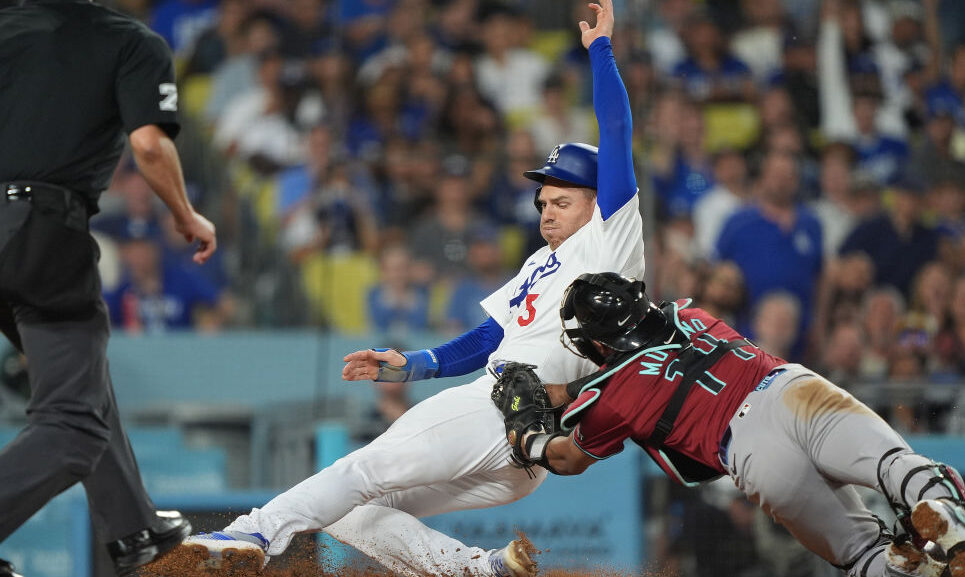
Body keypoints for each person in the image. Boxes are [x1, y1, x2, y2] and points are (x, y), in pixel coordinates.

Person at [182, 1, 645, 575]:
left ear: (599, 201)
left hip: (505, 410)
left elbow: (617, 129)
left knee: (362, 469)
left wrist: (600, 51)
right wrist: (410, 365)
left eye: (562, 200)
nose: (546, 210)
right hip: (519, 442)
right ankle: (479, 571)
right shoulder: (540, 261)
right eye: (543, 200)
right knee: (353, 509)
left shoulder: (610, 241)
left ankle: (251, 532)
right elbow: (489, 337)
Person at [505, 271, 965, 577]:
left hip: (751, 453)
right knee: (902, 468)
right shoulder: (689, 312)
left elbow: (568, 456)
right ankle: (958, 536)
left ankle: (902, 564)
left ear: (596, 343)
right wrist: (567, 393)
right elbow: (652, 363)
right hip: (791, 391)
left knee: (859, 556)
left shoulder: (612, 401)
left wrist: (528, 435)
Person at [0, 1, 218, 576]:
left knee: (82, 377)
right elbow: (148, 145)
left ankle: (132, 527)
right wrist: (185, 213)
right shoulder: (130, 41)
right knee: (71, 425)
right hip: (37, 232)